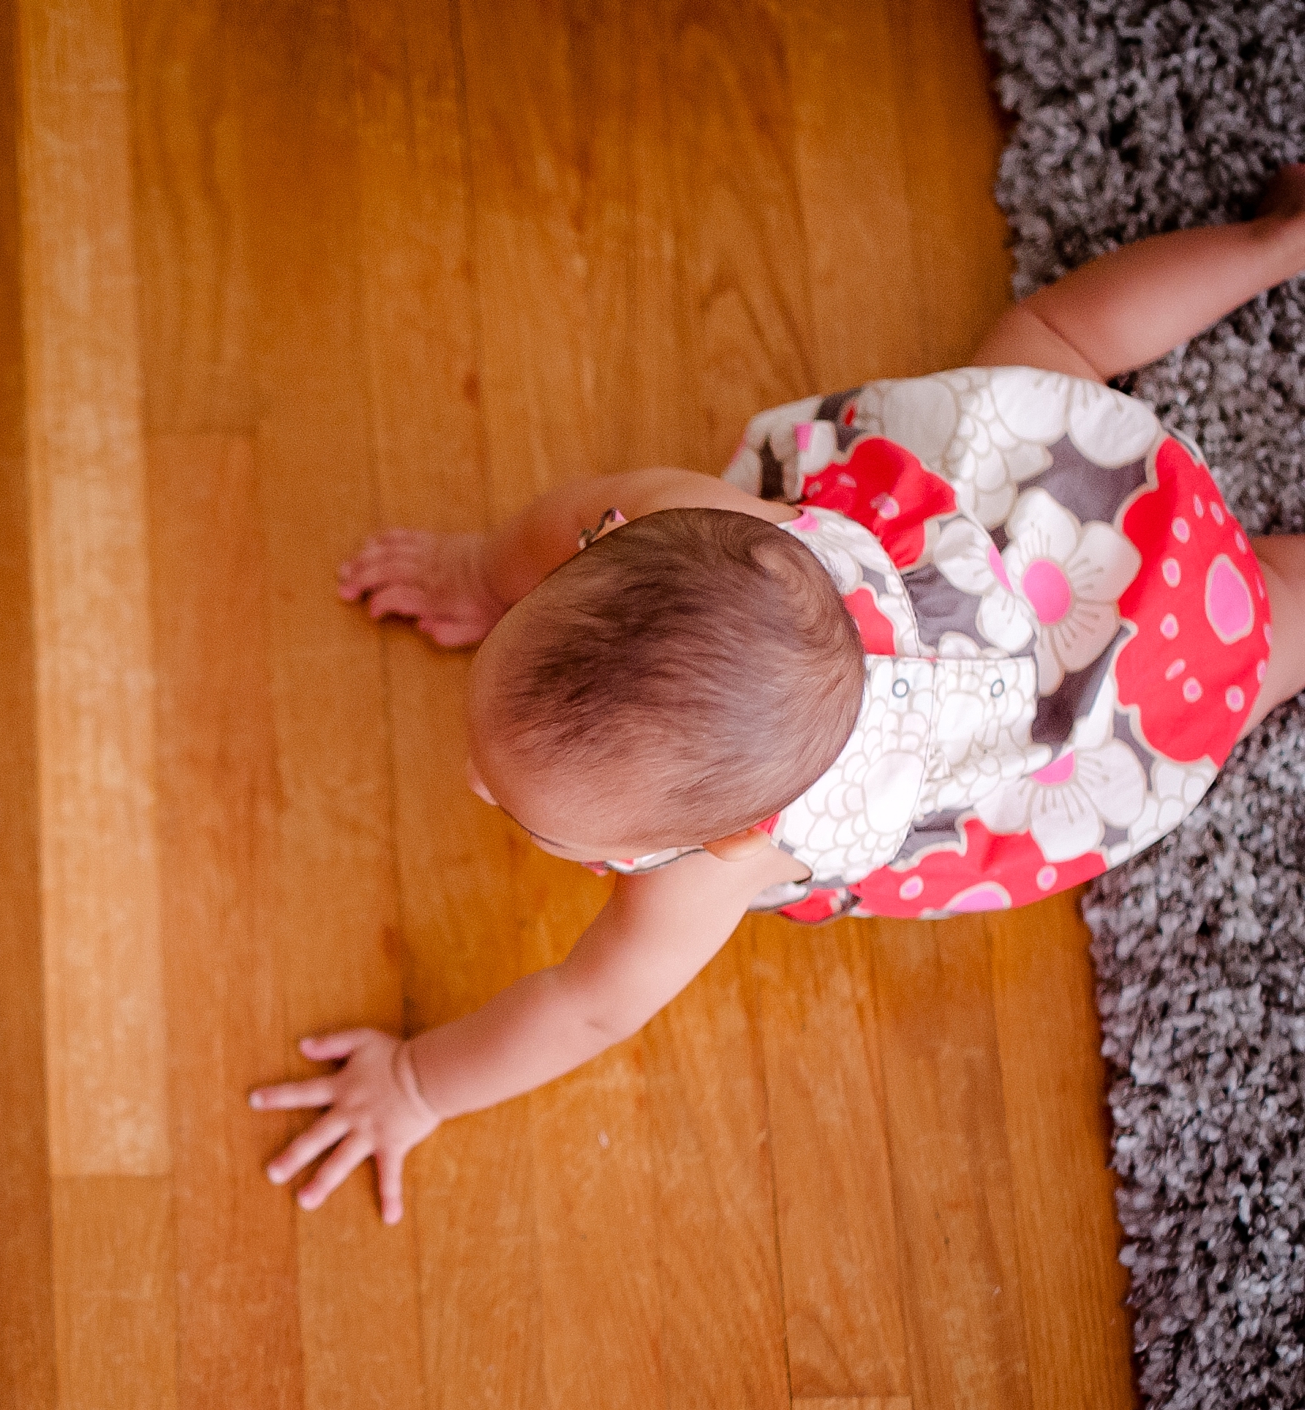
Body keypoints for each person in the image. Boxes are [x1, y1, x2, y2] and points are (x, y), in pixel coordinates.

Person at [249, 165, 1305, 1225]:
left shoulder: (717, 866)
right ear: (599, 544)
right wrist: (483, 573)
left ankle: (1269, 320)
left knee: (1253, 624)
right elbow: (547, 530)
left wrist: (418, 1083)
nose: (473, 781)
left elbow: (583, 1009)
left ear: (718, 839)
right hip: (1048, 497)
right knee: (1052, 345)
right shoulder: (687, 523)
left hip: (1119, 666)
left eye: (522, 814)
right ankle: (1273, 245)